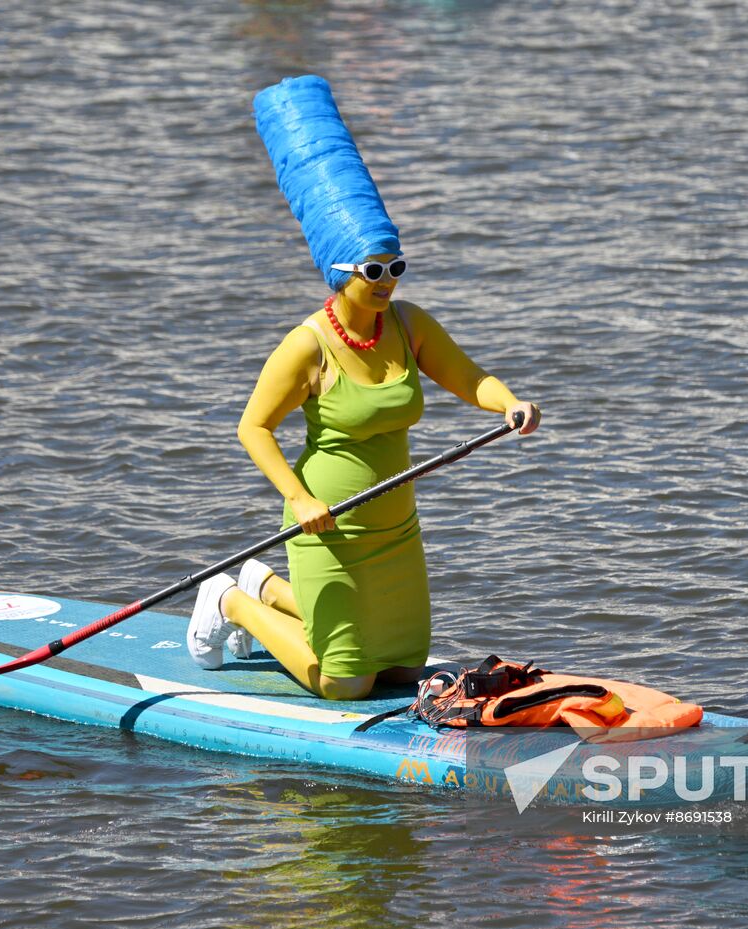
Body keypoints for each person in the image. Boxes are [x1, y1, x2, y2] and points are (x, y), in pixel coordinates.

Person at [186, 76, 539, 701]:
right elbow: (253, 428)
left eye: (395, 267)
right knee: (344, 682)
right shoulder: (307, 346)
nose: (387, 282)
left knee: (403, 674)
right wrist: (298, 501)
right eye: (373, 270)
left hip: (395, 524)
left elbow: (471, 379)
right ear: (339, 273)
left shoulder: (409, 325)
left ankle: (270, 588)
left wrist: (509, 403)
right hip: (328, 523)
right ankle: (237, 600)